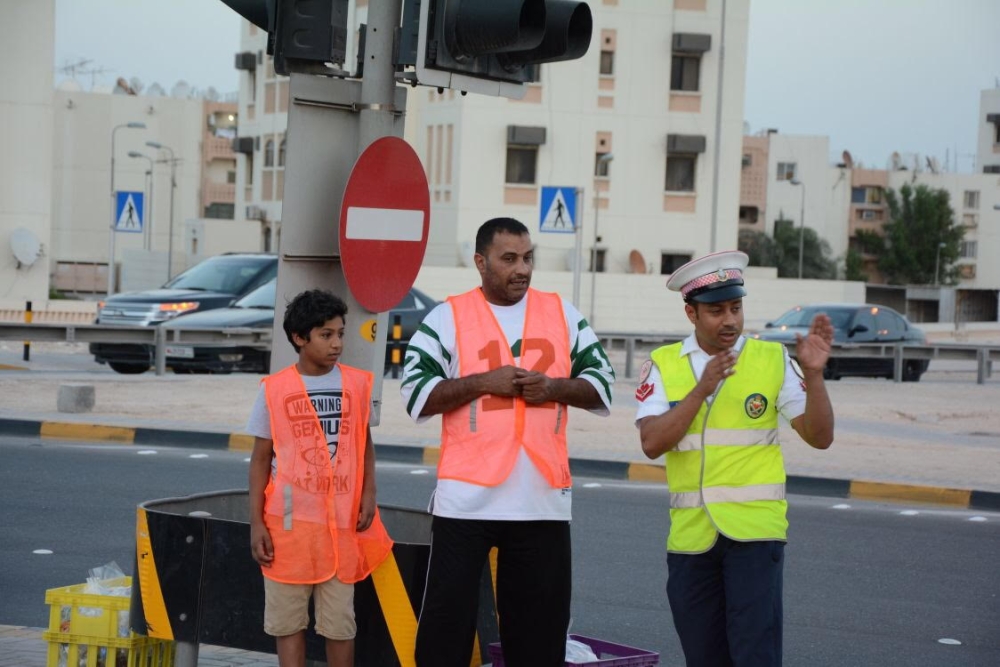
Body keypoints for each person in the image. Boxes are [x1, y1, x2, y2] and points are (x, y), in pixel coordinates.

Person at [401, 217, 616, 666]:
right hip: (466, 500)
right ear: (481, 262)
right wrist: (483, 382)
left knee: (539, 639)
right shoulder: (447, 315)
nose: (522, 268)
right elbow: (416, 394)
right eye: (509, 259)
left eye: (528, 257)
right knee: (445, 633)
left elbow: (603, 385)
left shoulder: (563, 312)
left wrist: (554, 388)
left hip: (542, 501)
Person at [635, 251, 834, 667]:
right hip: (691, 539)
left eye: (736, 308)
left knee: (754, 656)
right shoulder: (663, 363)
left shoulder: (771, 359)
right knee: (704, 656)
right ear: (691, 313)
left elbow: (820, 438)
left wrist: (814, 377)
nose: (729, 320)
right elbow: (652, 442)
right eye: (715, 310)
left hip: (755, 535)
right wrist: (699, 390)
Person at [246, 289, 393, 667]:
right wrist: (256, 523)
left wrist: (368, 494)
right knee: (287, 623)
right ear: (300, 338)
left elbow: (364, 444)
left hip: (341, 527)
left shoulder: (356, 385)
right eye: (326, 334)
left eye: (340, 333)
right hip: (289, 527)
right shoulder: (274, 390)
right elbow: (261, 459)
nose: (337, 343)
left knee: (340, 624)